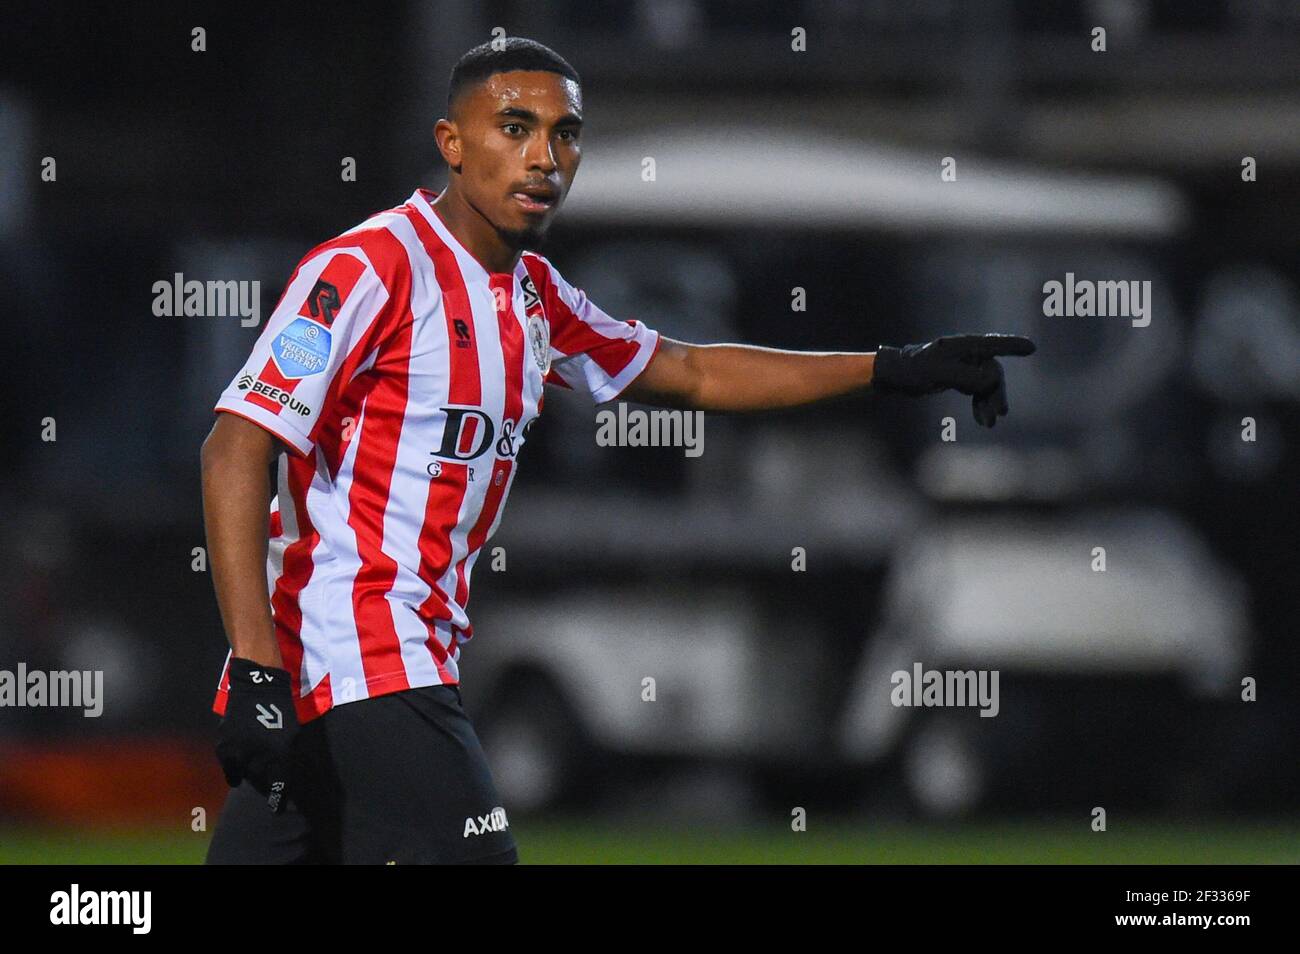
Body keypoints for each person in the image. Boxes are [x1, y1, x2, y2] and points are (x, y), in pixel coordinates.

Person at [201, 36, 1035, 865]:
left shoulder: (534, 298)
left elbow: (695, 371)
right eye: (515, 128)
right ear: (450, 145)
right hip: (363, 656)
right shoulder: (367, 269)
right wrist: (255, 666)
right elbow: (235, 450)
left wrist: (895, 367)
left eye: (566, 135)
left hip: (367, 671)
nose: (544, 158)